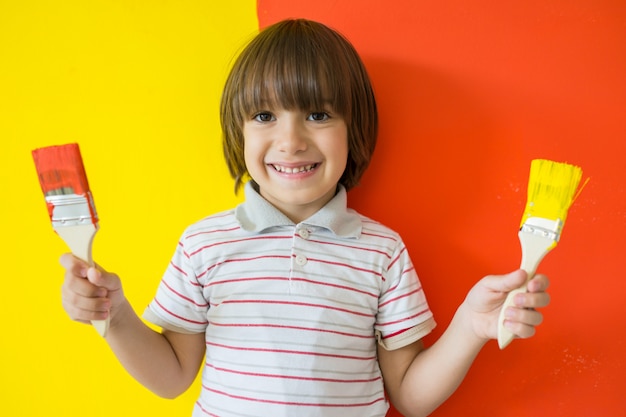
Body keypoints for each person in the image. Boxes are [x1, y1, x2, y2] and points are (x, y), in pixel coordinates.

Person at [59, 18, 550, 417]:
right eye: (265, 116)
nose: (291, 141)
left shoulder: (381, 252)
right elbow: (170, 380)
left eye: (317, 115)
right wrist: (116, 316)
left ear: (353, 129)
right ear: (239, 131)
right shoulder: (203, 245)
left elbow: (410, 397)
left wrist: (470, 326)